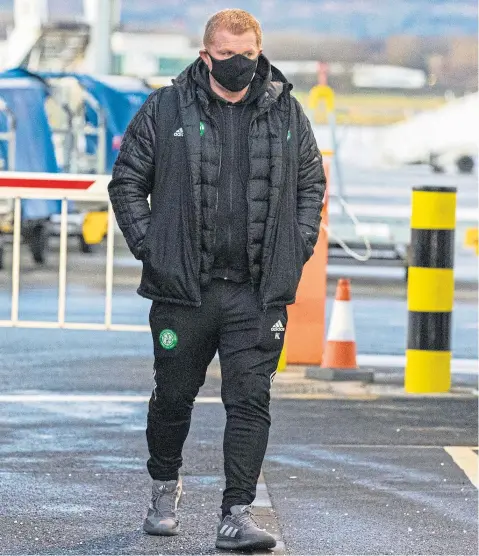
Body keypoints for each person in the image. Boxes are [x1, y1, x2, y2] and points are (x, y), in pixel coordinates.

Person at [108, 8, 326, 551]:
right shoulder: (165, 107)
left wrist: (292, 253)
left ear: (260, 52)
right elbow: (127, 182)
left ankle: (237, 513)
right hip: (183, 290)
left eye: (248, 56)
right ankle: (163, 489)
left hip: (255, 292)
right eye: (226, 56)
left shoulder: (287, 113)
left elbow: (310, 187)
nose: (238, 66)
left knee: (250, 400)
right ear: (206, 55)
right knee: (174, 396)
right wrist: (152, 250)